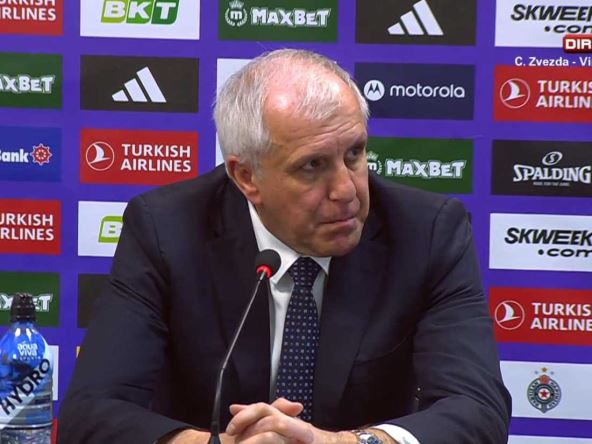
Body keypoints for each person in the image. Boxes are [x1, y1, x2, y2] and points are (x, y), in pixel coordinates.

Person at [59, 49, 511, 444]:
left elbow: (478, 409)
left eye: (354, 154)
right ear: (246, 177)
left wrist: (342, 443)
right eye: (313, 165)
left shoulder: (425, 232)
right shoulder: (167, 229)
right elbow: (91, 412)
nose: (347, 190)